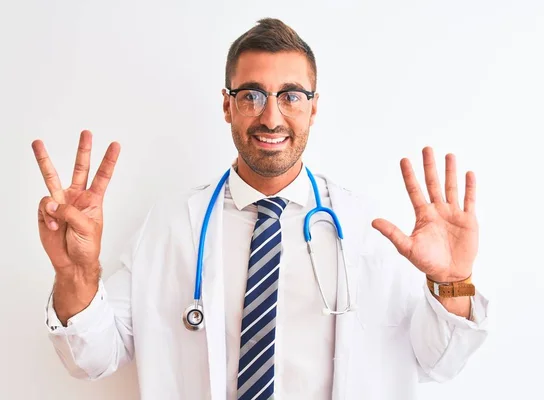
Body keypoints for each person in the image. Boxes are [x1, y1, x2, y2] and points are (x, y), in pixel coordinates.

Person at [33, 18, 488, 400]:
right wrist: (77, 275)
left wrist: (451, 283)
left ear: (313, 109)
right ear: (227, 106)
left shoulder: (369, 229)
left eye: (291, 96)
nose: (271, 117)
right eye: (252, 95)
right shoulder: (170, 225)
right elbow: (91, 358)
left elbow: (441, 362)